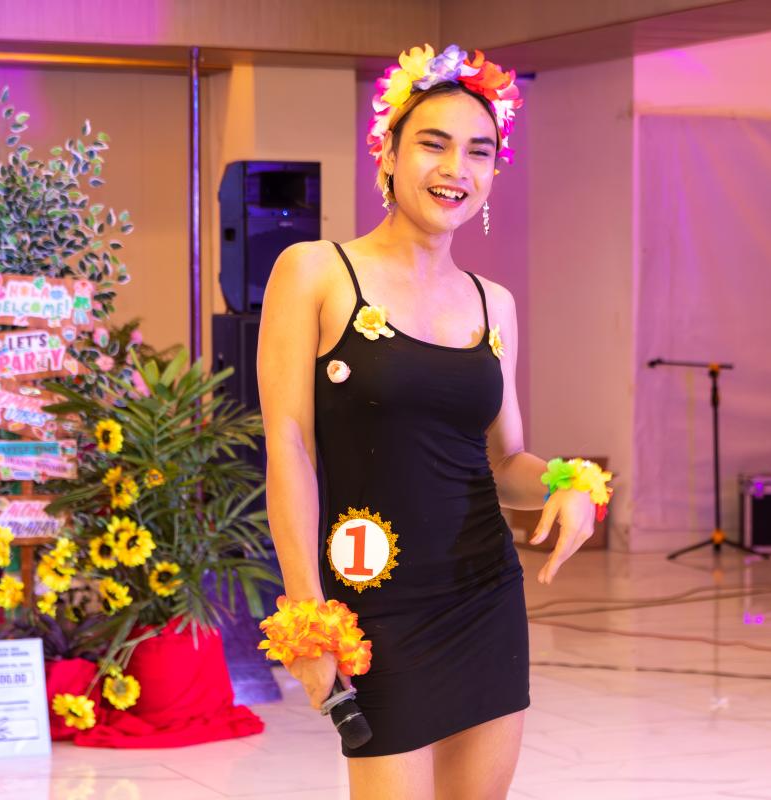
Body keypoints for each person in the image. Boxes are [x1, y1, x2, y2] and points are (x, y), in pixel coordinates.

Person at [256, 43, 609, 800]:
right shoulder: (315, 271)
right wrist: (307, 613)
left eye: (479, 151)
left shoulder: (493, 303)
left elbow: (505, 461)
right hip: (372, 602)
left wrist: (570, 482)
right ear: (387, 154)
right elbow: (288, 447)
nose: (457, 168)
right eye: (434, 144)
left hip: (484, 593)